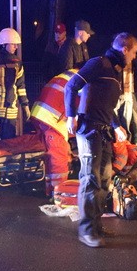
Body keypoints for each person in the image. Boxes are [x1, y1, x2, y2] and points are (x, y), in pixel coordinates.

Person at [65, 32, 137, 248]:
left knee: (104, 180)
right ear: (124, 50)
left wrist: (117, 127)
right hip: (89, 131)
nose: (134, 57)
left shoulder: (112, 73)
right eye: (133, 53)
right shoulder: (98, 63)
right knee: (90, 180)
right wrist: (71, 115)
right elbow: (71, 86)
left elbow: (107, 107)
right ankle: (86, 231)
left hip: (104, 132)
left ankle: (95, 226)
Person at [30, 69, 78, 198]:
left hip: (42, 114)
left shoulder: (72, 74)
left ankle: (51, 192)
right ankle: (60, 194)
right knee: (59, 156)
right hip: (52, 118)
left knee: (52, 156)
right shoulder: (85, 79)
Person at [0, 28, 30, 139]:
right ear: (4, 43)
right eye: (14, 44)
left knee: (9, 141)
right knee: (0, 142)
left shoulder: (17, 62)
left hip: (9, 108)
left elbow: (20, 85)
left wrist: (25, 105)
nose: (16, 47)